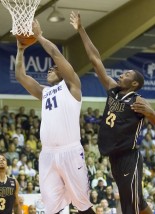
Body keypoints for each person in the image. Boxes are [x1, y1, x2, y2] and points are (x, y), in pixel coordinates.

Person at [70, 11, 155, 214]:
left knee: (130, 206)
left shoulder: (139, 101)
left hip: (129, 157)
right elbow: (95, 59)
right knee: (138, 203)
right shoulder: (113, 90)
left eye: (126, 74)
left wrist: (151, 113)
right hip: (114, 157)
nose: (121, 74)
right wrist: (81, 29)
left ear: (134, 83)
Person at [15, 19, 95, 214]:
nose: (50, 69)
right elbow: (21, 77)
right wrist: (20, 50)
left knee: (82, 204)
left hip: (70, 152)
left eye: (54, 68)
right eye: (49, 68)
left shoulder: (73, 85)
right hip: (48, 154)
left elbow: (56, 54)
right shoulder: (45, 92)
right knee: (53, 207)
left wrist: (39, 36)